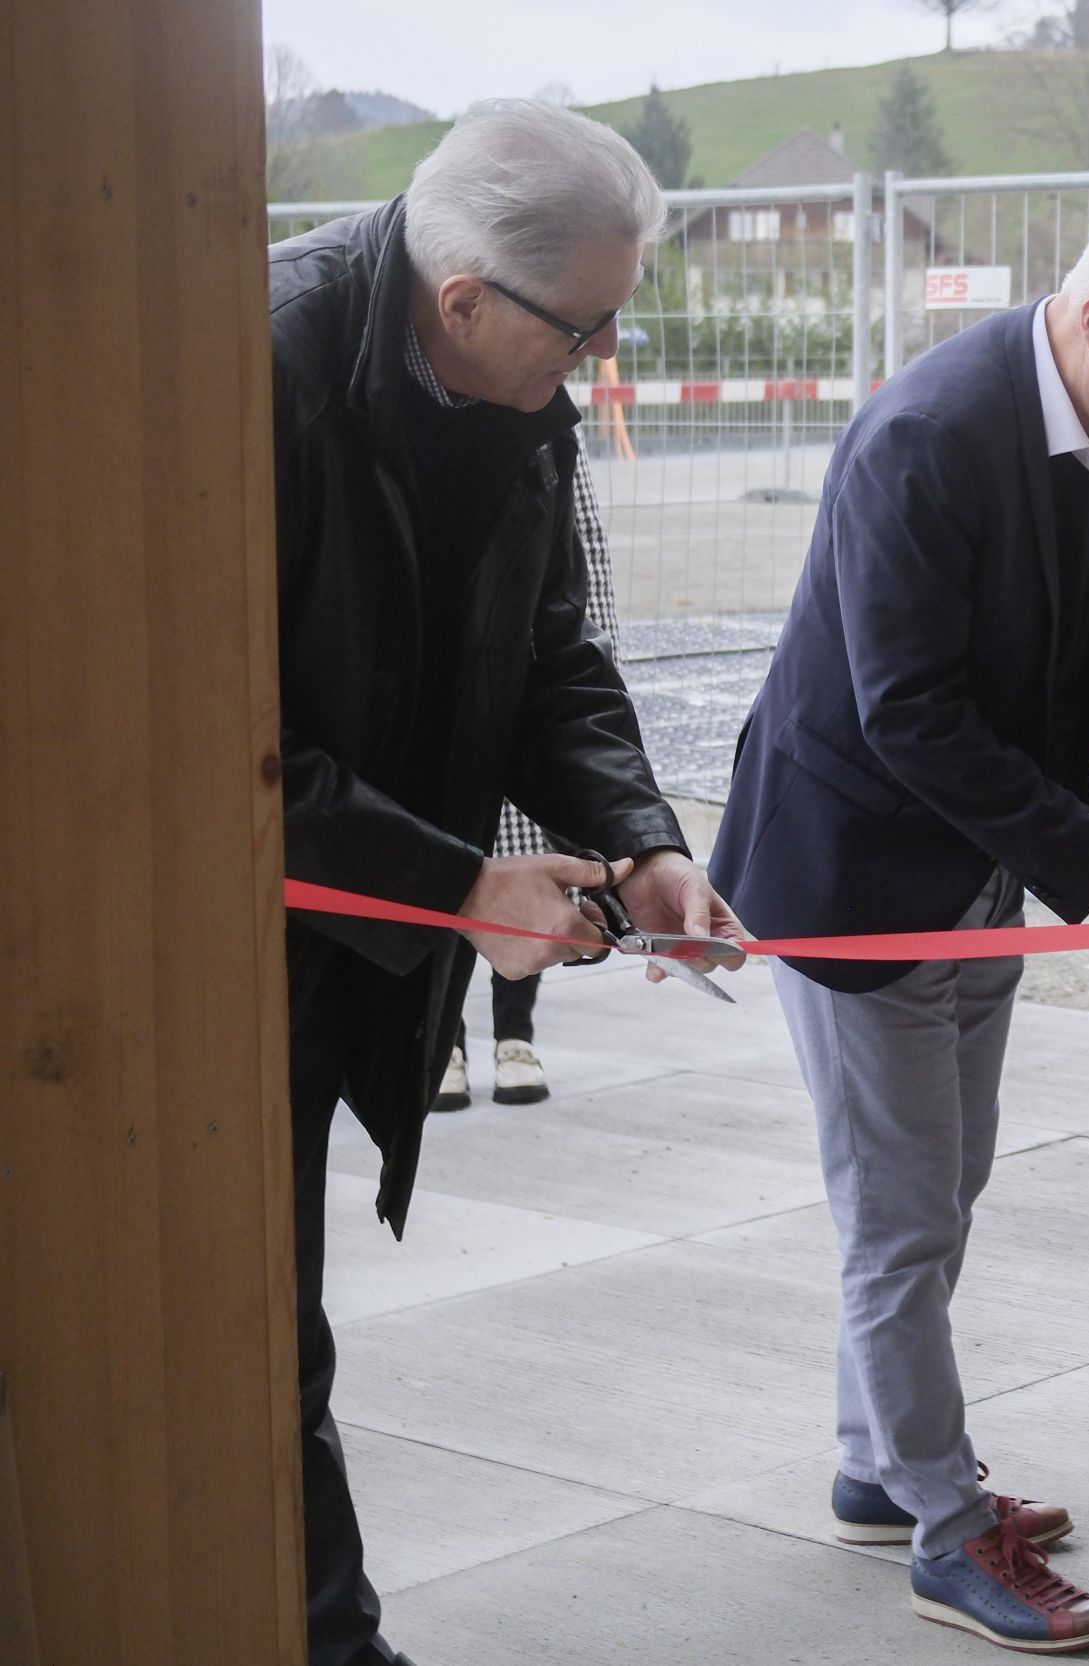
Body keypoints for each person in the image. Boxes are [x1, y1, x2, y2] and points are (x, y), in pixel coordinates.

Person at [707, 193, 1089, 1653]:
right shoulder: (926, 438)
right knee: (900, 1216)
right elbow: (906, 709)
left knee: (943, 1180)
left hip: (979, 867)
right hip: (857, 878)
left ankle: (878, 1458)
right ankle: (944, 1526)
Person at [271, 100, 744, 1666]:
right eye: (586, 329)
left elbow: (556, 654)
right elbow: (217, 749)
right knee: (255, 1332)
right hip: (222, 947)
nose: (598, 364)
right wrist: (457, 880)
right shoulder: (262, 372)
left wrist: (647, 838)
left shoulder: (512, 393)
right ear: (463, 298)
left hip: (360, 930)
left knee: (273, 1325)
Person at [434, 506, 625, 1111]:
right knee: (441, 867)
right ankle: (445, 1043)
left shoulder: (550, 431)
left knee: (525, 863)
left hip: (517, 673)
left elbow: (584, 542)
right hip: (431, 682)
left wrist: (602, 654)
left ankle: (516, 1035)